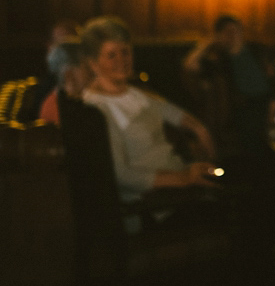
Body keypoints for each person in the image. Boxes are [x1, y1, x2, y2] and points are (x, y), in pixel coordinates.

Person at [79, 15, 221, 202]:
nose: (121, 60)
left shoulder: (134, 92)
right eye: (112, 55)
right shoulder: (95, 108)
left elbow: (176, 115)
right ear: (93, 63)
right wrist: (184, 178)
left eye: (125, 52)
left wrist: (201, 131)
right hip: (150, 202)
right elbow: (121, 175)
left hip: (179, 184)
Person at [182, 14, 274, 157]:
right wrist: (210, 41)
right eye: (227, 31)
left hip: (265, 108)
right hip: (240, 115)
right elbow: (189, 65)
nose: (233, 35)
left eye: (236, 30)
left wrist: (274, 106)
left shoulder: (257, 51)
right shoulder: (218, 61)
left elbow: (273, 82)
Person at [38, 40, 93, 125]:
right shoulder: (57, 108)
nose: (92, 72)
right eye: (87, 67)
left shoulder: (83, 99)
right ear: (69, 74)